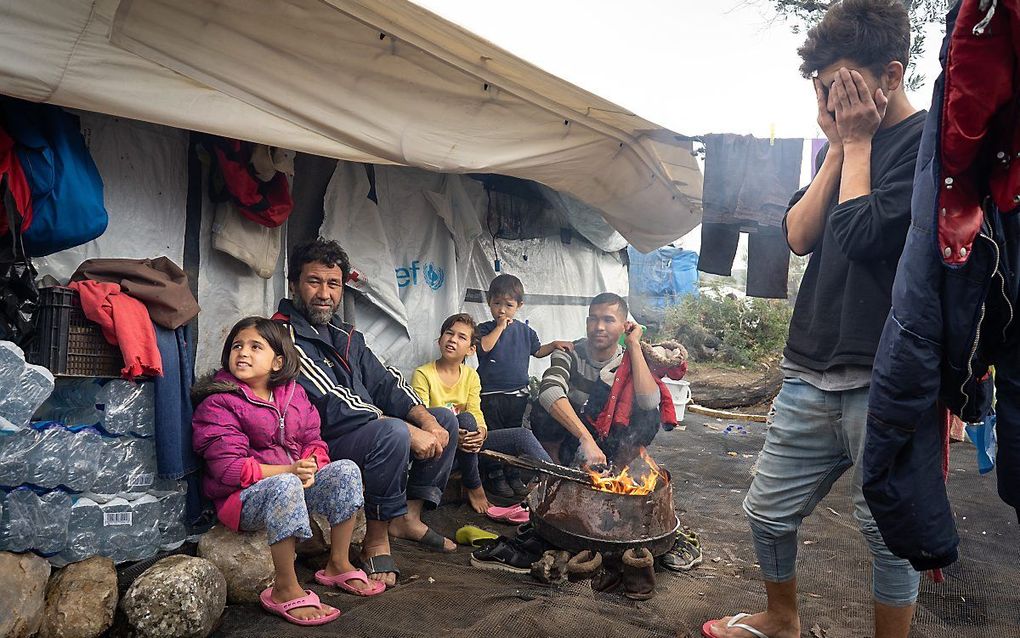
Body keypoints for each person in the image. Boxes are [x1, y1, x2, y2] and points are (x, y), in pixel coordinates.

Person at [702, 2, 925, 637]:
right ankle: (781, 619)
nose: (831, 102)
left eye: (843, 87)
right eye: (823, 91)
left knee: (888, 532)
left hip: (887, 371)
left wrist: (856, 143)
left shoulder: (928, 147)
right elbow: (799, 236)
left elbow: (862, 235)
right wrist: (837, 147)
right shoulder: (843, 145)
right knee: (767, 510)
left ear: (891, 73)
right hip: (809, 366)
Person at [274, 238, 459, 589]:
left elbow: (388, 381)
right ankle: (375, 538)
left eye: (333, 284)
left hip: (362, 430)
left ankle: (407, 517)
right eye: (314, 282)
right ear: (294, 284)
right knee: (393, 433)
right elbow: (332, 400)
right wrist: (401, 426)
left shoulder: (345, 334)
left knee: (445, 420)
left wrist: (428, 421)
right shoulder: (283, 334)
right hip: (322, 443)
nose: (325, 293)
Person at [192, 317, 382, 628]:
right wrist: (290, 471)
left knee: (345, 470)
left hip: (291, 483)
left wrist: (312, 464)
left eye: (256, 347)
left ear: (278, 361)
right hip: (240, 499)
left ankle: (338, 562)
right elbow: (228, 468)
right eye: (237, 346)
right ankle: (285, 588)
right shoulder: (218, 403)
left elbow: (314, 440)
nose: (243, 353)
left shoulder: (294, 395)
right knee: (284, 485)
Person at [411, 313, 554, 514]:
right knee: (464, 420)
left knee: (521, 435)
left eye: (461, 337)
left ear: (471, 349)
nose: (452, 339)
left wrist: (481, 431)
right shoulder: (423, 374)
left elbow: (476, 409)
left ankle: (560, 482)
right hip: (441, 450)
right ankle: (474, 486)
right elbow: (423, 418)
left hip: (468, 444)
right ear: (440, 340)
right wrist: (455, 435)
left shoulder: (471, 375)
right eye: (449, 333)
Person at [531, 292, 661, 467]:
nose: (599, 326)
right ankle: (555, 468)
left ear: (624, 326)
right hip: (573, 436)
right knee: (542, 408)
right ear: (587, 323)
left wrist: (633, 345)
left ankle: (617, 472)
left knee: (650, 415)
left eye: (608, 320)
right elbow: (549, 391)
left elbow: (649, 402)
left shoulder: (629, 359)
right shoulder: (569, 352)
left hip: (610, 437)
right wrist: (586, 438)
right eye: (593, 319)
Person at [475, 274, 572, 496]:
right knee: (495, 436)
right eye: (497, 303)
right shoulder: (484, 328)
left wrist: (554, 344)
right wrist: (500, 327)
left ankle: (512, 473)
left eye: (508, 305)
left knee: (515, 438)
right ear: (489, 303)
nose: (502, 310)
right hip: (490, 395)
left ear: (519, 306)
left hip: (517, 396)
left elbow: (537, 351)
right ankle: (494, 475)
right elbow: (485, 348)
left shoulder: (526, 332)